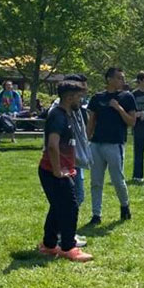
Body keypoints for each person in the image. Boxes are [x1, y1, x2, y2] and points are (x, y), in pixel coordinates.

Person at [36, 80, 93, 262]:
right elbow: (52, 146)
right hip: (54, 171)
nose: (81, 101)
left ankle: (49, 245)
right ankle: (68, 247)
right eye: (78, 97)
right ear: (69, 97)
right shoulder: (58, 116)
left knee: (58, 207)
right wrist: (58, 170)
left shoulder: (67, 114)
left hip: (62, 169)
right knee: (70, 208)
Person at [87, 68, 137, 225]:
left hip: (115, 144)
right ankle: (96, 214)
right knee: (96, 181)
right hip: (96, 144)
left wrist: (119, 108)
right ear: (109, 79)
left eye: (123, 78)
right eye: (119, 78)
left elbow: (132, 122)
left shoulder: (127, 97)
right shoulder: (97, 98)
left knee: (117, 179)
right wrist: (86, 140)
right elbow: (91, 121)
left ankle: (124, 205)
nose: (123, 81)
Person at [49, 74, 92, 217]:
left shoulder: (75, 108)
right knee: (71, 199)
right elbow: (52, 143)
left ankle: (62, 233)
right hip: (65, 161)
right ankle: (62, 233)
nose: (84, 95)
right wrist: (58, 169)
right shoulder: (58, 111)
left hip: (75, 158)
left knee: (71, 199)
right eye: (81, 92)